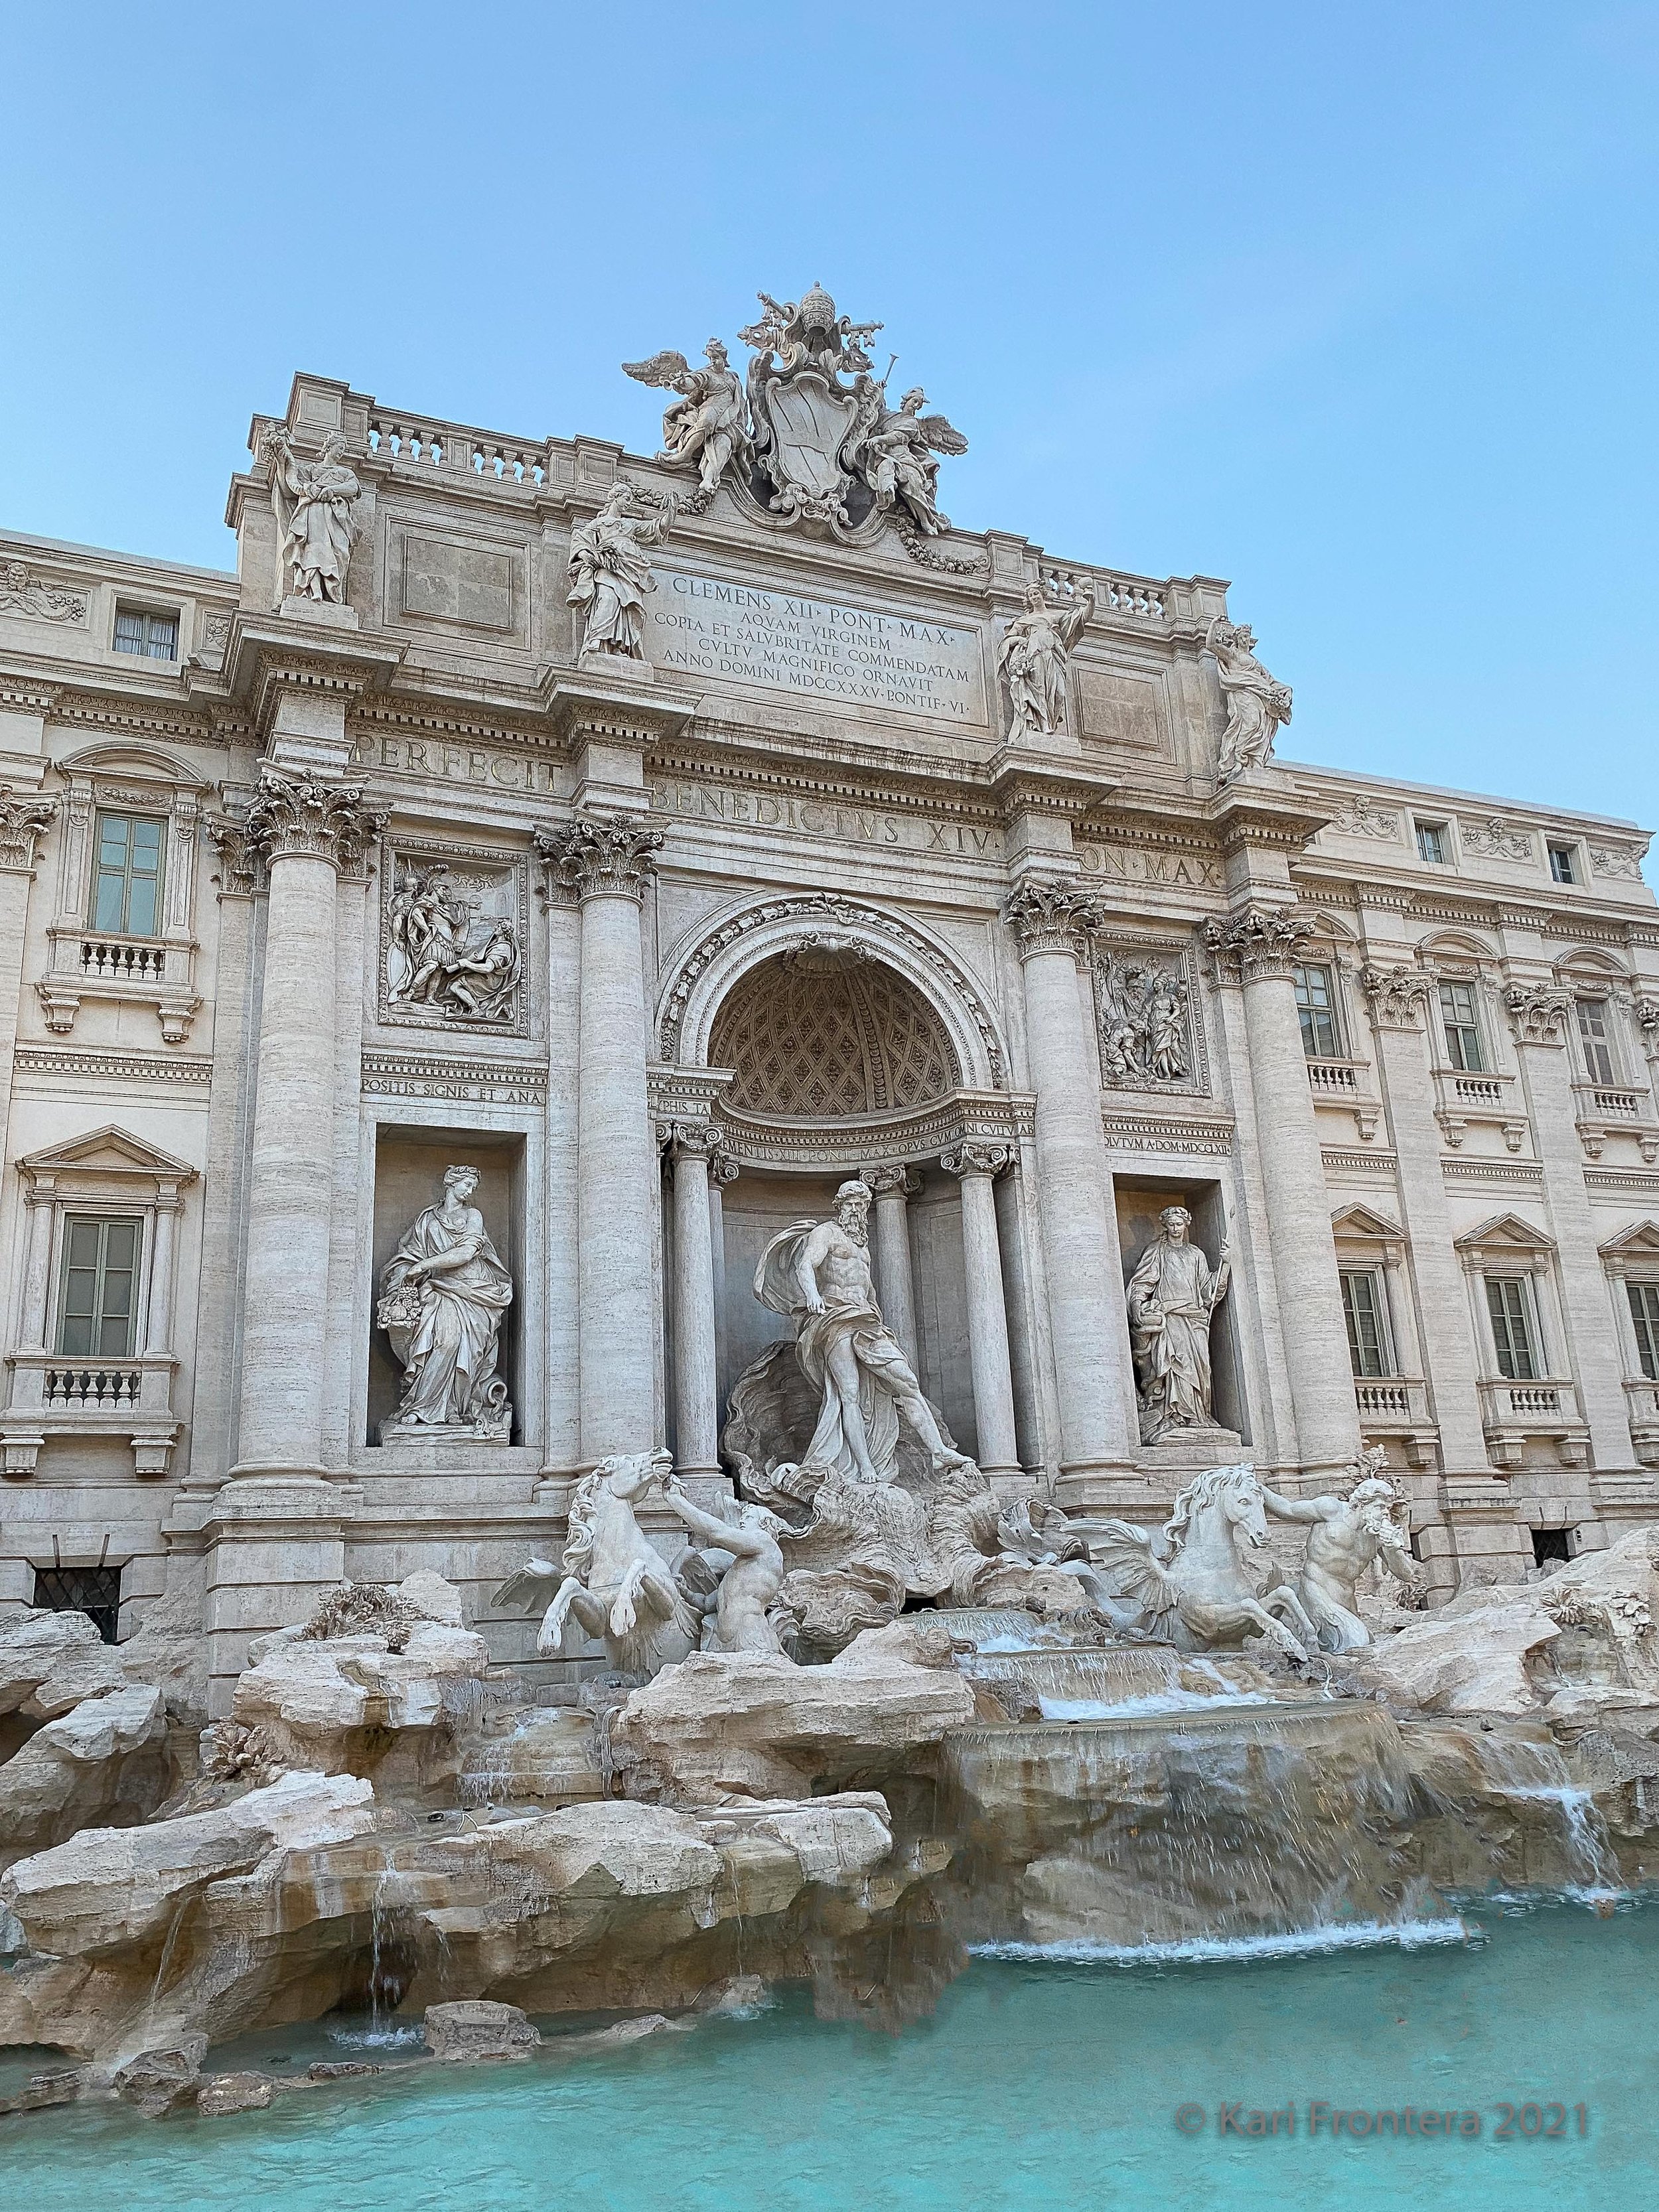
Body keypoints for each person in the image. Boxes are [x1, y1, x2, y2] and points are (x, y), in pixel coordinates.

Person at [754, 1179, 966, 1487]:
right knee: (848, 1395)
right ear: (839, 1206)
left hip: (866, 1321)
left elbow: (869, 1288)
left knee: (907, 1382)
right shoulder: (826, 1233)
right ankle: (865, 1467)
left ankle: (938, 1451)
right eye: (850, 1204)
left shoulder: (862, 1246)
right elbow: (805, 1265)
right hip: (835, 1317)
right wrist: (812, 1294)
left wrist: (878, 1316)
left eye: (861, 1204)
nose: (856, 1210)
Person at [378, 1165, 513, 1428]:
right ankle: (423, 1406)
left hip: (474, 1291)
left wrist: (424, 1266)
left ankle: (456, 1408)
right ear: (451, 1183)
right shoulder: (427, 1220)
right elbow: (409, 1255)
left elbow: (466, 1253)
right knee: (443, 1342)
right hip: (439, 1289)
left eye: (473, 1187)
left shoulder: (473, 1215)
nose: (470, 1191)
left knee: (464, 1350)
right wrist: (410, 1271)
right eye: (466, 1184)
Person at [1125, 1206, 1230, 1442]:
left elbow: (1208, 1293)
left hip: (1194, 1320)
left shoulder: (1196, 1255)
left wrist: (1225, 1267)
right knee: (1173, 1366)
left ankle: (1197, 1416)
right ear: (1166, 1226)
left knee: (1199, 1369)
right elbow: (1142, 1283)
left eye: (1179, 1224)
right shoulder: (1156, 1251)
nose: (1175, 1228)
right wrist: (1138, 1305)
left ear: (1186, 1225)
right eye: (1171, 1224)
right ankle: (1172, 1416)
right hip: (1170, 1319)